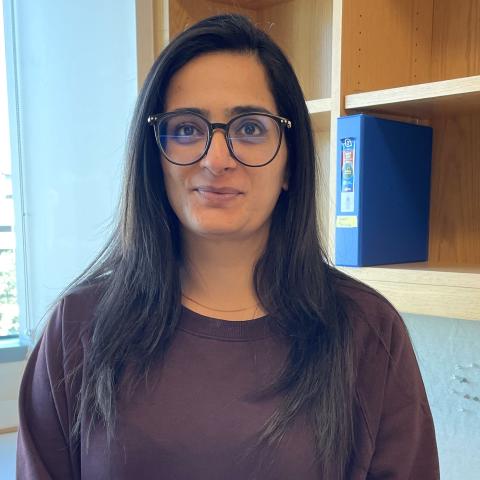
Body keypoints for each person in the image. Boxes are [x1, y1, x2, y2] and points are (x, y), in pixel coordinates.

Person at [16, 13, 439, 480]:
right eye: (186, 129)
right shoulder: (77, 327)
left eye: (251, 128)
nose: (216, 159)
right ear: (152, 157)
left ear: (291, 163)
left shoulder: (366, 331)